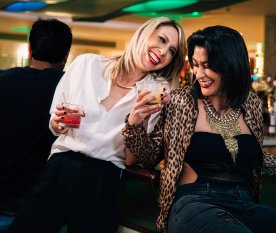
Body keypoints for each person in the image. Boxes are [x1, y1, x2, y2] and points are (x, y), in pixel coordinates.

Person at [122, 25, 276, 233]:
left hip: (244, 204)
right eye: (196, 65)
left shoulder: (251, 104)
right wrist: (134, 123)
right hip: (194, 203)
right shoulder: (181, 102)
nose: (199, 74)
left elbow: (247, 155)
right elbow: (147, 156)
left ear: (230, 65)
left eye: (207, 65)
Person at [6, 16, 186, 233]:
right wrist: (58, 122)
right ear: (144, 34)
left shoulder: (155, 92)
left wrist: (135, 121)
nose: (163, 51)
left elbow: (130, 159)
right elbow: (56, 124)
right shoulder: (87, 64)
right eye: (161, 39)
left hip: (104, 178)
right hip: (61, 168)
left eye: (172, 50)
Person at [0, 18, 72, 232]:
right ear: (66, 55)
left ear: (30, 49)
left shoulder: (2, 80)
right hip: (34, 209)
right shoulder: (71, 93)